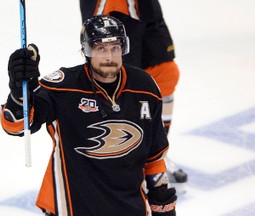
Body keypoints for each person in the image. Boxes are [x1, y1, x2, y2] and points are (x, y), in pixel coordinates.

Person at [0, 15, 177, 216]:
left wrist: (164, 207)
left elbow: (154, 159)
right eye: (101, 49)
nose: (109, 57)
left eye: (115, 48)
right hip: (71, 209)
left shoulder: (145, 88)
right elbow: (16, 125)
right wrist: (19, 91)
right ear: (87, 50)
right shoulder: (64, 88)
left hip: (129, 210)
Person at [79, 0, 187, 183]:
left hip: (144, 9)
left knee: (166, 73)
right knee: (118, 82)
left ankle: (156, 156)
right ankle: (121, 157)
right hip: (109, 11)